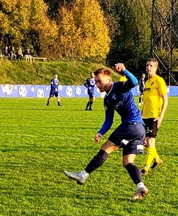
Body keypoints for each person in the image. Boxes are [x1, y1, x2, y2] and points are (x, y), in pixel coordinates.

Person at [63, 63, 148, 201]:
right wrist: (100, 132)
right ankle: (141, 187)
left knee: (105, 149)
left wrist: (124, 70)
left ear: (109, 80)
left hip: (131, 125)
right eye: (95, 81)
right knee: (127, 162)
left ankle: (83, 175)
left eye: (99, 81)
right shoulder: (107, 99)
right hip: (139, 130)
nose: (97, 84)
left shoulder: (120, 86)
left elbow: (134, 81)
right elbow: (109, 120)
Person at [140, 57, 168, 173]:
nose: (148, 68)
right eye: (147, 65)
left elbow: (165, 99)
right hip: (144, 116)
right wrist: (140, 115)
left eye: (151, 66)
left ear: (156, 68)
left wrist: (160, 116)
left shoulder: (159, 80)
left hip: (154, 116)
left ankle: (145, 167)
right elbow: (146, 101)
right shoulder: (147, 82)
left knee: (151, 141)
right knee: (145, 142)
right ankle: (157, 159)